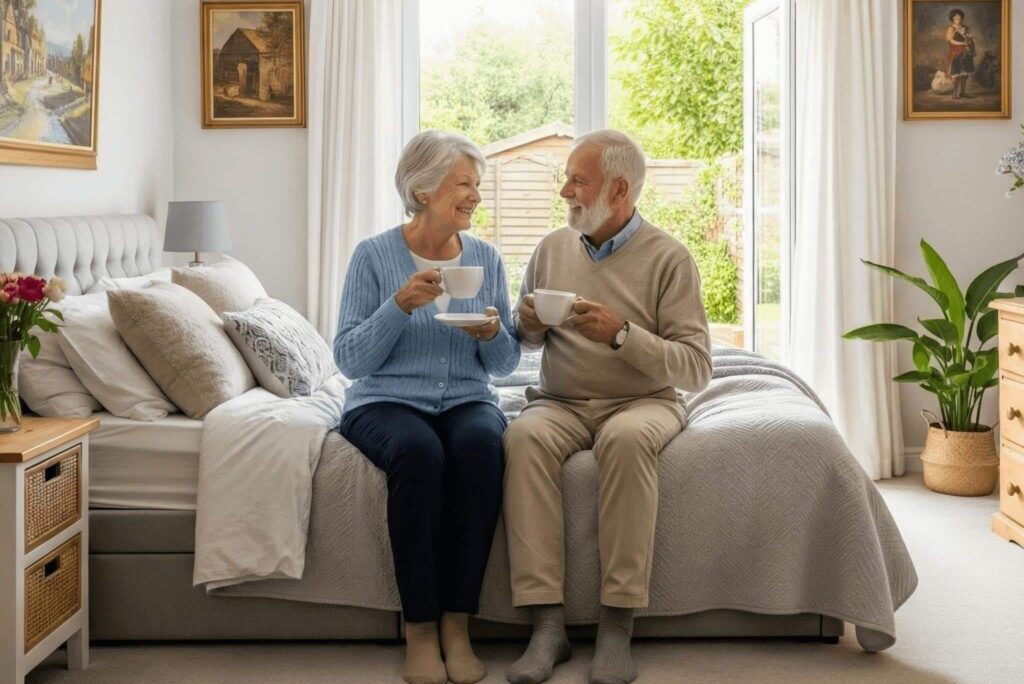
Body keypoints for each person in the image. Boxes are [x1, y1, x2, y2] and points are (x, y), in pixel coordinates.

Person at [503, 129, 712, 684]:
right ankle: (547, 626)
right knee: (521, 439)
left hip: (640, 401)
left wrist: (622, 335)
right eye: (566, 177)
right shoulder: (551, 248)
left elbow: (695, 367)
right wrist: (524, 323)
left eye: (578, 179)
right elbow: (522, 336)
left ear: (619, 190)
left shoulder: (669, 257)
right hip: (561, 400)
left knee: (624, 442)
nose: (564, 190)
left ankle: (617, 624)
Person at [335, 130, 521, 684]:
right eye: (464, 184)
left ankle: (456, 625)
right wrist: (398, 306)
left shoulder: (486, 256)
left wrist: (491, 332)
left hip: (466, 396)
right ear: (422, 190)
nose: (476, 197)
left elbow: (506, 364)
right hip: (385, 400)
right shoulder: (373, 255)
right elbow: (349, 360)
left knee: (481, 448)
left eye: (476, 185)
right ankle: (418, 629)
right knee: (418, 455)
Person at [946, 9, 975, 99]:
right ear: (952, 18)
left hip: (966, 53)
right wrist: (962, 43)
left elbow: (970, 37)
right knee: (957, 74)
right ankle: (954, 93)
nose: (958, 18)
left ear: (962, 17)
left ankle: (962, 92)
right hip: (956, 53)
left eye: (959, 16)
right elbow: (950, 40)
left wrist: (971, 40)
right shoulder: (951, 28)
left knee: (965, 74)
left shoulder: (966, 27)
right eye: (955, 17)